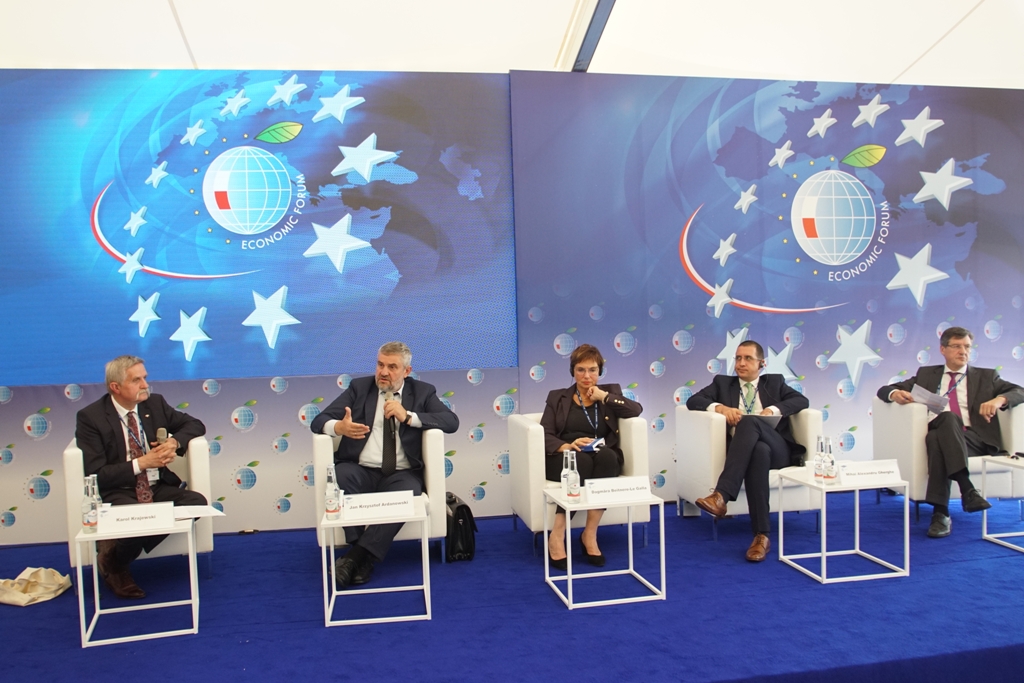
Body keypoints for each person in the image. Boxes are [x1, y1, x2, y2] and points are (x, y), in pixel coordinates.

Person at [310, 341, 458, 588]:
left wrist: (408, 416)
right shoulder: (360, 388)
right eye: (380, 365)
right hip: (360, 470)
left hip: (401, 473)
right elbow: (318, 420)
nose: (383, 372)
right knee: (341, 475)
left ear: (407, 371)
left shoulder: (422, 392)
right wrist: (338, 427)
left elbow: (451, 422)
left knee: (409, 491)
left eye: (392, 367)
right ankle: (362, 557)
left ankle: (354, 558)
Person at [75, 355, 207, 599]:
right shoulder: (91, 417)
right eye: (136, 380)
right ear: (116, 387)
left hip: (156, 485)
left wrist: (174, 442)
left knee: (196, 503)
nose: (145, 385)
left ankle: (113, 554)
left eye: (145, 378)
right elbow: (96, 474)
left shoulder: (154, 404)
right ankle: (116, 567)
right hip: (119, 490)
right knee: (135, 519)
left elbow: (195, 425)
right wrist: (142, 463)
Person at [877, 326, 1024, 538]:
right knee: (944, 424)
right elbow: (884, 389)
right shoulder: (927, 375)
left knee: (938, 437)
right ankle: (966, 491)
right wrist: (895, 393)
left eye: (967, 347)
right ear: (943, 349)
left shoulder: (986, 376)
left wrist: (999, 399)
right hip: (942, 431)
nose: (963, 351)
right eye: (956, 346)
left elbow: (1019, 391)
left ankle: (941, 513)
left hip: (974, 439)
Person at [688, 340, 809, 562]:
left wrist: (773, 409)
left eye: (748, 358)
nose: (741, 363)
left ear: (762, 363)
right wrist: (720, 408)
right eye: (738, 358)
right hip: (749, 451)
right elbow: (693, 400)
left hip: (779, 450)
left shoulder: (774, 382)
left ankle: (722, 495)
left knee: (749, 422)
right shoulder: (723, 384)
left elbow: (801, 400)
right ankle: (762, 536)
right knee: (758, 452)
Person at [541, 344, 642, 569]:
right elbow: (544, 433)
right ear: (573, 371)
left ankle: (590, 534)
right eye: (581, 370)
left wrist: (604, 397)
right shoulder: (557, 397)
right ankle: (557, 534)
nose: (587, 376)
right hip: (565, 456)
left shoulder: (610, 393)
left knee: (609, 458)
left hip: (599, 452)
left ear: (600, 371)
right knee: (580, 462)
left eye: (593, 370)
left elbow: (636, 410)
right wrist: (567, 446)